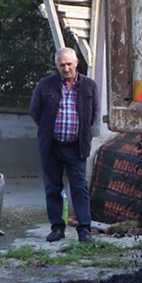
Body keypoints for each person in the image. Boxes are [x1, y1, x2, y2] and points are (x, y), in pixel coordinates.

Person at [29, 47, 100, 243]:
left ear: (76, 62)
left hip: (76, 147)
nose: (66, 68)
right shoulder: (46, 85)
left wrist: (81, 133)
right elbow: (35, 111)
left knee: (79, 188)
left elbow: (93, 114)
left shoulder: (89, 86)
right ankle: (57, 228)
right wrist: (47, 130)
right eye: (62, 65)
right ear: (57, 66)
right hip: (52, 146)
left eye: (69, 64)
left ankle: (84, 229)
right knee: (53, 188)